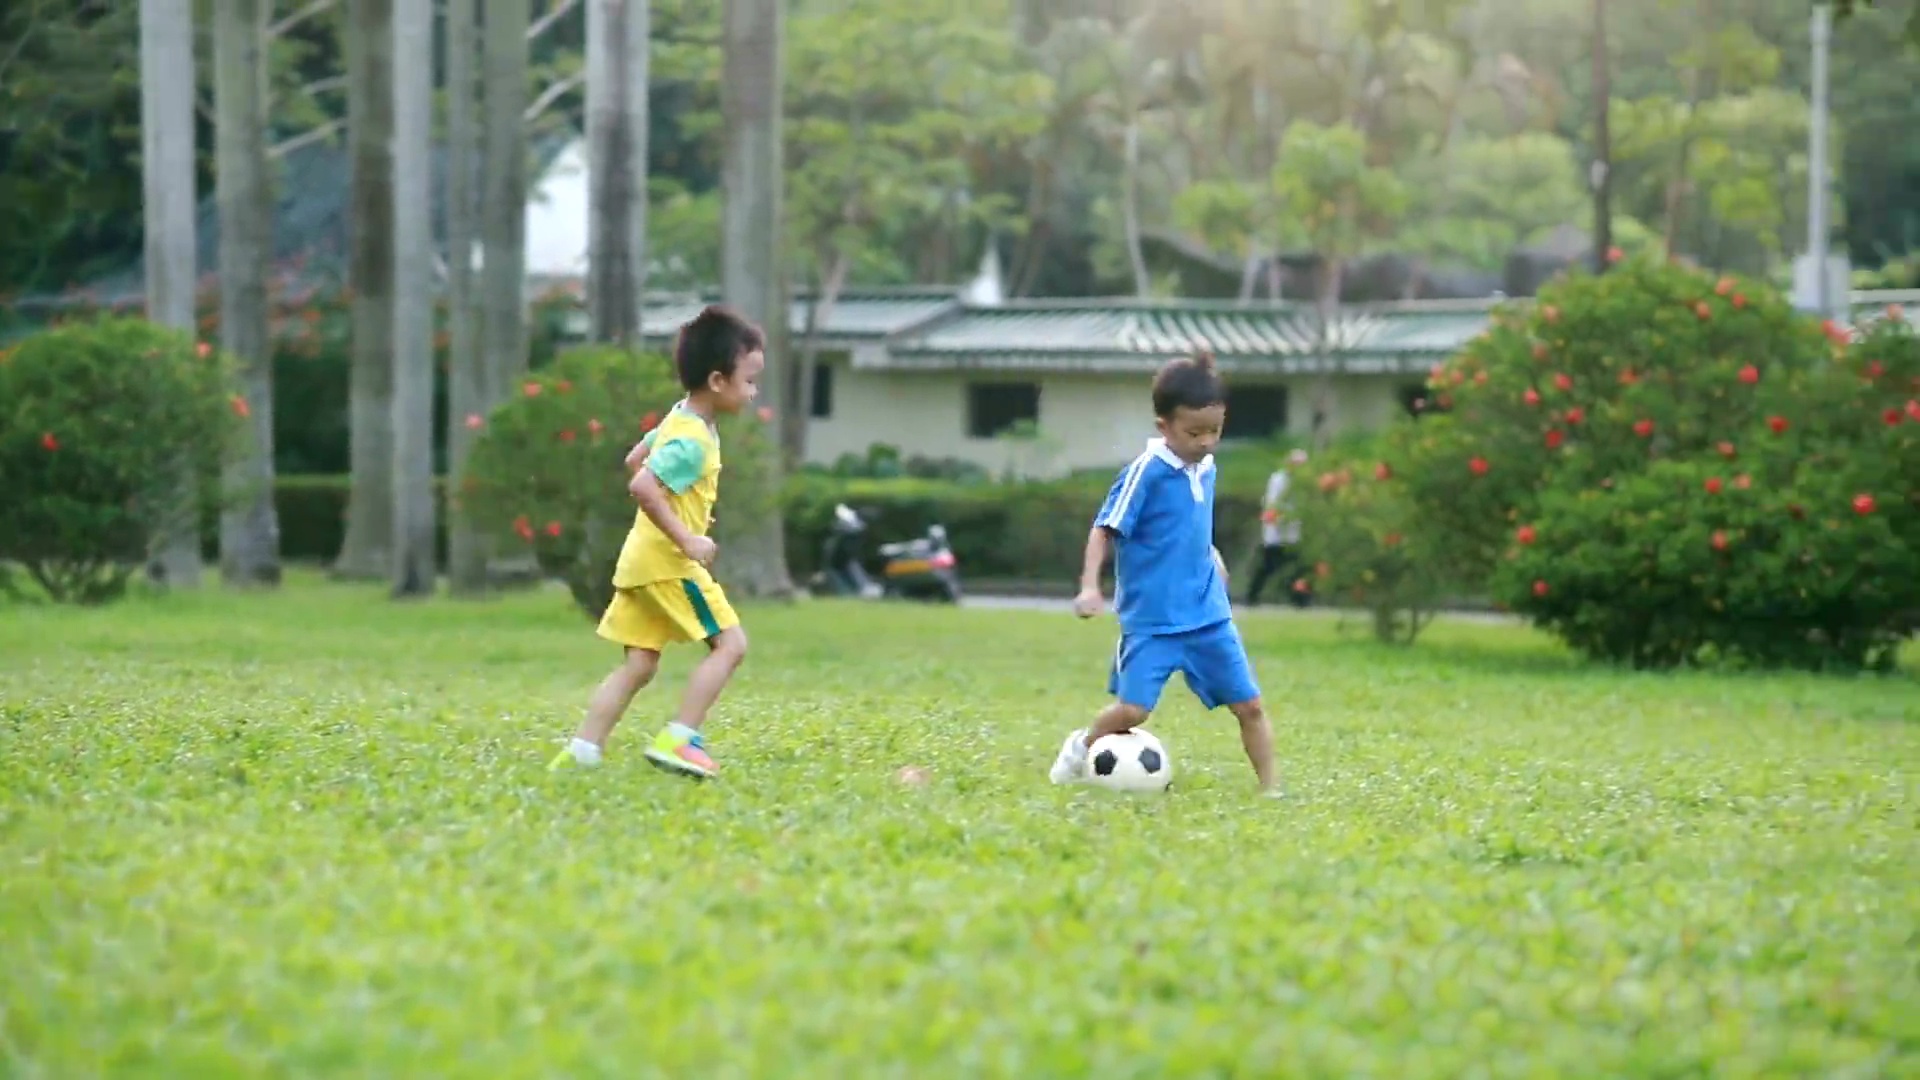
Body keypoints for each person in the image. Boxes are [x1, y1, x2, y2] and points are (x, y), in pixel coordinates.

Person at [548, 305, 765, 779]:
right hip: (668, 563)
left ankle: (583, 752)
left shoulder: (679, 418)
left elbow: (634, 459)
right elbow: (642, 484)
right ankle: (680, 739)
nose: (753, 392)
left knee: (640, 664)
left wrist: (677, 500)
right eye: (749, 380)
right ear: (717, 380)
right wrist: (687, 536)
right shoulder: (694, 442)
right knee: (731, 645)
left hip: (640, 561)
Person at [1050, 349, 1279, 792]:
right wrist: (1088, 587)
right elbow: (1104, 529)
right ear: (1164, 427)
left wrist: (1211, 553)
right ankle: (1081, 746)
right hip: (1153, 621)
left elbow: (1186, 524)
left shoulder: (1206, 467)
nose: (1207, 441)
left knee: (1249, 705)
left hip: (1209, 616)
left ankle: (1272, 791)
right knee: (1133, 712)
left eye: (1216, 430)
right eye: (1194, 432)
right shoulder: (1145, 473)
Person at [1246, 448, 1310, 607]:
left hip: (1293, 531)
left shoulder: (1304, 483)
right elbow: (1272, 503)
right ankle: (1252, 596)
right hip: (1277, 531)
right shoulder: (1279, 479)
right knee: (1268, 566)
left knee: (1298, 568)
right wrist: (1277, 519)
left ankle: (1299, 599)